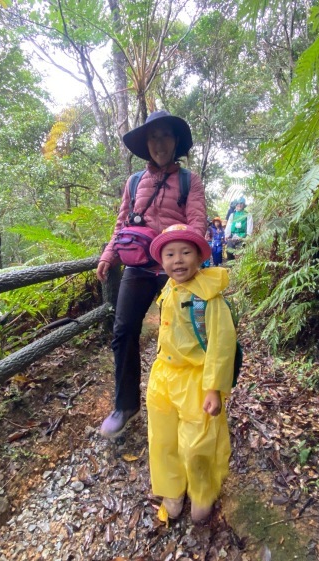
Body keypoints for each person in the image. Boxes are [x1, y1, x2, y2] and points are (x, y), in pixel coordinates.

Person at [96, 111, 207, 438]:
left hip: (176, 264)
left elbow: (197, 221)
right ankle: (125, 405)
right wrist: (109, 255)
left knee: (187, 332)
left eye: (165, 136)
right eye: (153, 137)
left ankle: (191, 401)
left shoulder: (190, 181)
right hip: (140, 265)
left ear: (175, 142)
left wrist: (192, 258)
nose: (159, 143)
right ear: (147, 144)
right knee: (124, 329)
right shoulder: (133, 182)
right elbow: (122, 224)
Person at [146, 224, 237, 523]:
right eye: (170, 254)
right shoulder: (168, 287)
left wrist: (214, 388)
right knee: (162, 438)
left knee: (197, 443)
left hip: (197, 378)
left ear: (200, 257)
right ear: (162, 261)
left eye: (186, 252)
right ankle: (172, 489)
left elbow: (222, 344)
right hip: (163, 376)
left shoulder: (208, 297)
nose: (178, 260)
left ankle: (201, 491)